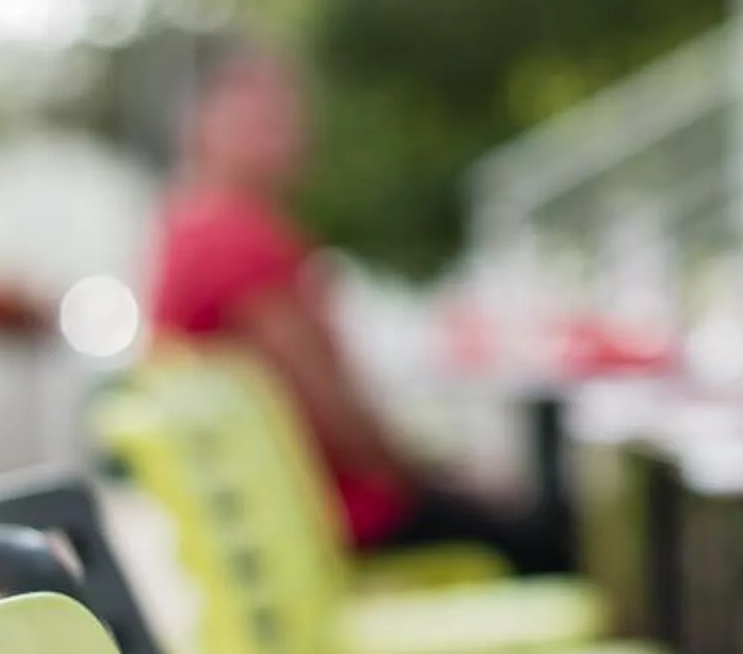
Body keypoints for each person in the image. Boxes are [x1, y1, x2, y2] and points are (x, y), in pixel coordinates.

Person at [147, 44, 568, 571]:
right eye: (257, 118)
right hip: (337, 525)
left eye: (288, 116)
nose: (284, 134)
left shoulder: (185, 228)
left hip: (285, 533)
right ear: (200, 126)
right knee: (544, 534)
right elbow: (337, 416)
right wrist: (428, 471)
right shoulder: (237, 243)